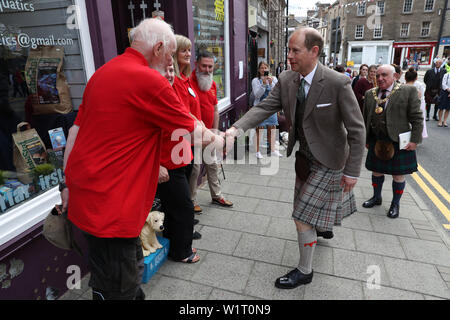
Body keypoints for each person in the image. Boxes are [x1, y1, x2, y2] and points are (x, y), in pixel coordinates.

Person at [61, 18, 223, 300]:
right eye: (171, 54)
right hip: (113, 207)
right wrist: (219, 138)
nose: (172, 60)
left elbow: (75, 132)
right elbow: (194, 133)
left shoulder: (103, 72)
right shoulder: (147, 80)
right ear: (159, 48)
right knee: (121, 286)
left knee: (112, 276)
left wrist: (66, 184)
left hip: (87, 198)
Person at [225, 27, 366, 289]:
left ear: (314, 51)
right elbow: (265, 107)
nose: (289, 56)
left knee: (301, 216)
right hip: (304, 158)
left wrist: (353, 171)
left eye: (294, 50)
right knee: (308, 211)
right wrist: (235, 130)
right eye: (288, 50)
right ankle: (322, 226)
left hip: (331, 159)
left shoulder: (337, 82)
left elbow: (357, 130)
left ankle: (305, 271)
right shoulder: (288, 79)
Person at [362, 65, 423, 219]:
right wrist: (367, 139)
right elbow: (365, 119)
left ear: (395, 76)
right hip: (377, 140)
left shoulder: (408, 91)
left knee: (398, 175)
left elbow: (417, 118)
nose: (380, 78)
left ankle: (395, 204)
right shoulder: (370, 94)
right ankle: (376, 197)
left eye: (384, 75)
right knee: (376, 172)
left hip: (398, 141)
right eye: (377, 75)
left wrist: (415, 140)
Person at [157, 61, 202, 264]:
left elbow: (185, 114)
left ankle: (176, 243)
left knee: (176, 207)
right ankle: (181, 251)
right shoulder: (159, 95)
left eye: (171, 70)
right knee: (183, 206)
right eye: (164, 70)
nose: (169, 74)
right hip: (166, 161)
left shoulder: (175, 87)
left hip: (179, 154)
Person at [189, 50, 233, 212]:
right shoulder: (188, 82)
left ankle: (217, 195)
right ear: (196, 65)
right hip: (194, 135)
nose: (207, 70)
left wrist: (214, 131)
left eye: (210, 67)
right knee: (195, 169)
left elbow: (215, 109)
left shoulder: (212, 84)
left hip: (210, 133)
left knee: (213, 165)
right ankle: (192, 200)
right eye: (204, 66)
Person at [171, 35, 203, 238]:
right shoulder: (173, 80)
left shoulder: (186, 79)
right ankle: (184, 227)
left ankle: (188, 217)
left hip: (193, 136)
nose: (188, 54)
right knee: (182, 186)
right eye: (184, 51)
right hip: (181, 138)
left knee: (192, 173)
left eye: (189, 51)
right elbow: (181, 112)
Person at [251, 61, 282, 159]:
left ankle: (272, 150)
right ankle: (257, 151)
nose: (264, 70)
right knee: (259, 129)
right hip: (260, 108)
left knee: (272, 129)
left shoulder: (274, 79)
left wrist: (271, 82)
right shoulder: (255, 80)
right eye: (262, 68)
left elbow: (277, 92)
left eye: (265, 68)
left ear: (269, 69)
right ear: (259, 70)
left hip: (271, 108)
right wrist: (263, 84)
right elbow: (257, 95)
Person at [405, 67, 428, 138]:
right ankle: (417, 136)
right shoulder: (419, 85)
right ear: (416, 78)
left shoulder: (403, 85)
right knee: (418, 121)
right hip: (418, 104)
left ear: (405, 78)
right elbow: (421, 96)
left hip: (406, 104)